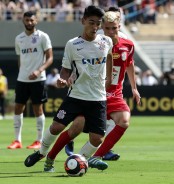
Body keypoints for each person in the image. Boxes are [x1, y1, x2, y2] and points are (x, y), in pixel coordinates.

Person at [39, 10, 140, 172]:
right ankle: (50, 156)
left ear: (119, 26)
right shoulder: (98, 41)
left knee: (121, 122)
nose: (111, 32)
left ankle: (88, 158)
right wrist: (69, 77)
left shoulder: (127, 44)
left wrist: (134, 88)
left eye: (114, 28)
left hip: (112, 94)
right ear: (102, 28)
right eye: (107, 28)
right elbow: (81, 63)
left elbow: (129, 64)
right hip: (88, 94)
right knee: (75, 128)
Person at [24, 5, 113, 172]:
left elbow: (109, 58)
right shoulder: (73, 44)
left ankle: (79, 160)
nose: (95, 27)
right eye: (91, 22)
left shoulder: (106, 41)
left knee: (97, 138)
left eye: (98, 24)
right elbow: (66, 69)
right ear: (83, 21)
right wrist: (62, 80)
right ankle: (42, 152)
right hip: (76, 95)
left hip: (97, 98)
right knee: (56, 127)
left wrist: (109, 78)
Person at [64, 6, 129, 161]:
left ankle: (102, 150)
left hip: (107, 86)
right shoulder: (97, 34)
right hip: (87, 84)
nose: (113, 26)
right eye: (109, 22)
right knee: (83, 119)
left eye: (117, 20)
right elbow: (79, 55)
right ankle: (70, 140)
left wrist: (129, 85)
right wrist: (72, 76)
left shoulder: (124, 39)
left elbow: (126, 62)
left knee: (111, 120)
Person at [7, 11, 53, 149]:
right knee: (17, 108)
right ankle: (17, 140)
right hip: (22, 79)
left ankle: (39, 141)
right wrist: (22, 72)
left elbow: (50, 58)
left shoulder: (43, 36)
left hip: (38, 79)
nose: (29, 23)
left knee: (37, 109)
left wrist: (39, 71)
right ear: (23, 21)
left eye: (32, 20)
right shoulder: (18, 38)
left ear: (36, 21)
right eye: (27, 20)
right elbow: (20, 58)